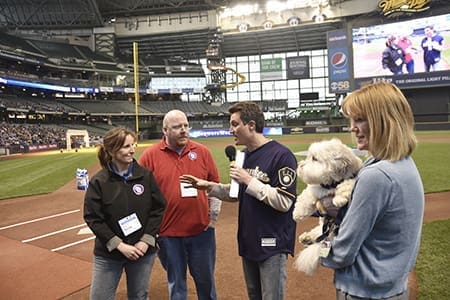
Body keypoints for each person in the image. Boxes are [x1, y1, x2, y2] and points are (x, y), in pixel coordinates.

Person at [180, 101, 298, 300]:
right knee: (254, 295)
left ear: (251, 125)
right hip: (248, 239)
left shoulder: (282, 155)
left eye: (235, 124)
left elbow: (284, 202)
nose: (231, 129)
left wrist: (249, 180)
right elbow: (236, 193)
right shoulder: (243, 156)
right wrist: (208, 186)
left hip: (272, 242)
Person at [319, 82, 424, 300]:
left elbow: (342, 253)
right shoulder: (402, 163)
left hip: (363, 292)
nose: (352, 128)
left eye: (360, 119)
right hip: (392, 288)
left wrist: (318, 249)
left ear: (383, 121)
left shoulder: (376, 175)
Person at [138, 110, 221, 300]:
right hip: (168, 235)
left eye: (185, 125)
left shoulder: (202, 152)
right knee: (177, 285)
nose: (183, 130)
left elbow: (214, 187)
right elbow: (141, 195)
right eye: (177, 127)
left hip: (202, 232)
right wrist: (152, 230)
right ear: (165, 130)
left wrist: (213, 219)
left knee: (206, 282)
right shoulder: (150, 155)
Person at [83, 127, 166, 300]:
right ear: (112, 150)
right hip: (109, 253)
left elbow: (158, 209)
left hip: (142, 251)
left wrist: (146, 240)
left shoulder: (145, 176)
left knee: (139, 296)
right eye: (126, 146)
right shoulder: (99, 181)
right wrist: (119, 245)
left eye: (133, 145)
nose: (132, 150)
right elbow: (93, 217)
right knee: (99, 297)